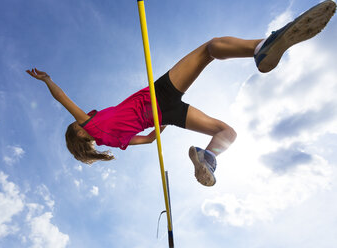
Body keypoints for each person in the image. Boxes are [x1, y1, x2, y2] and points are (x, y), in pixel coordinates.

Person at [26, 0, 335, 186]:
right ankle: (261, 47)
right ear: (80, 134)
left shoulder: (115, 142)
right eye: (78, 125)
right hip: (158, 97)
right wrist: (47, 80)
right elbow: (63, 98)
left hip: (165, 113)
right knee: (210, 48)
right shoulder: (91, 126)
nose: (82, 120)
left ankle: (208, 157)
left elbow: (149, 138)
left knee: (227, 131)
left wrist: (158, 122)